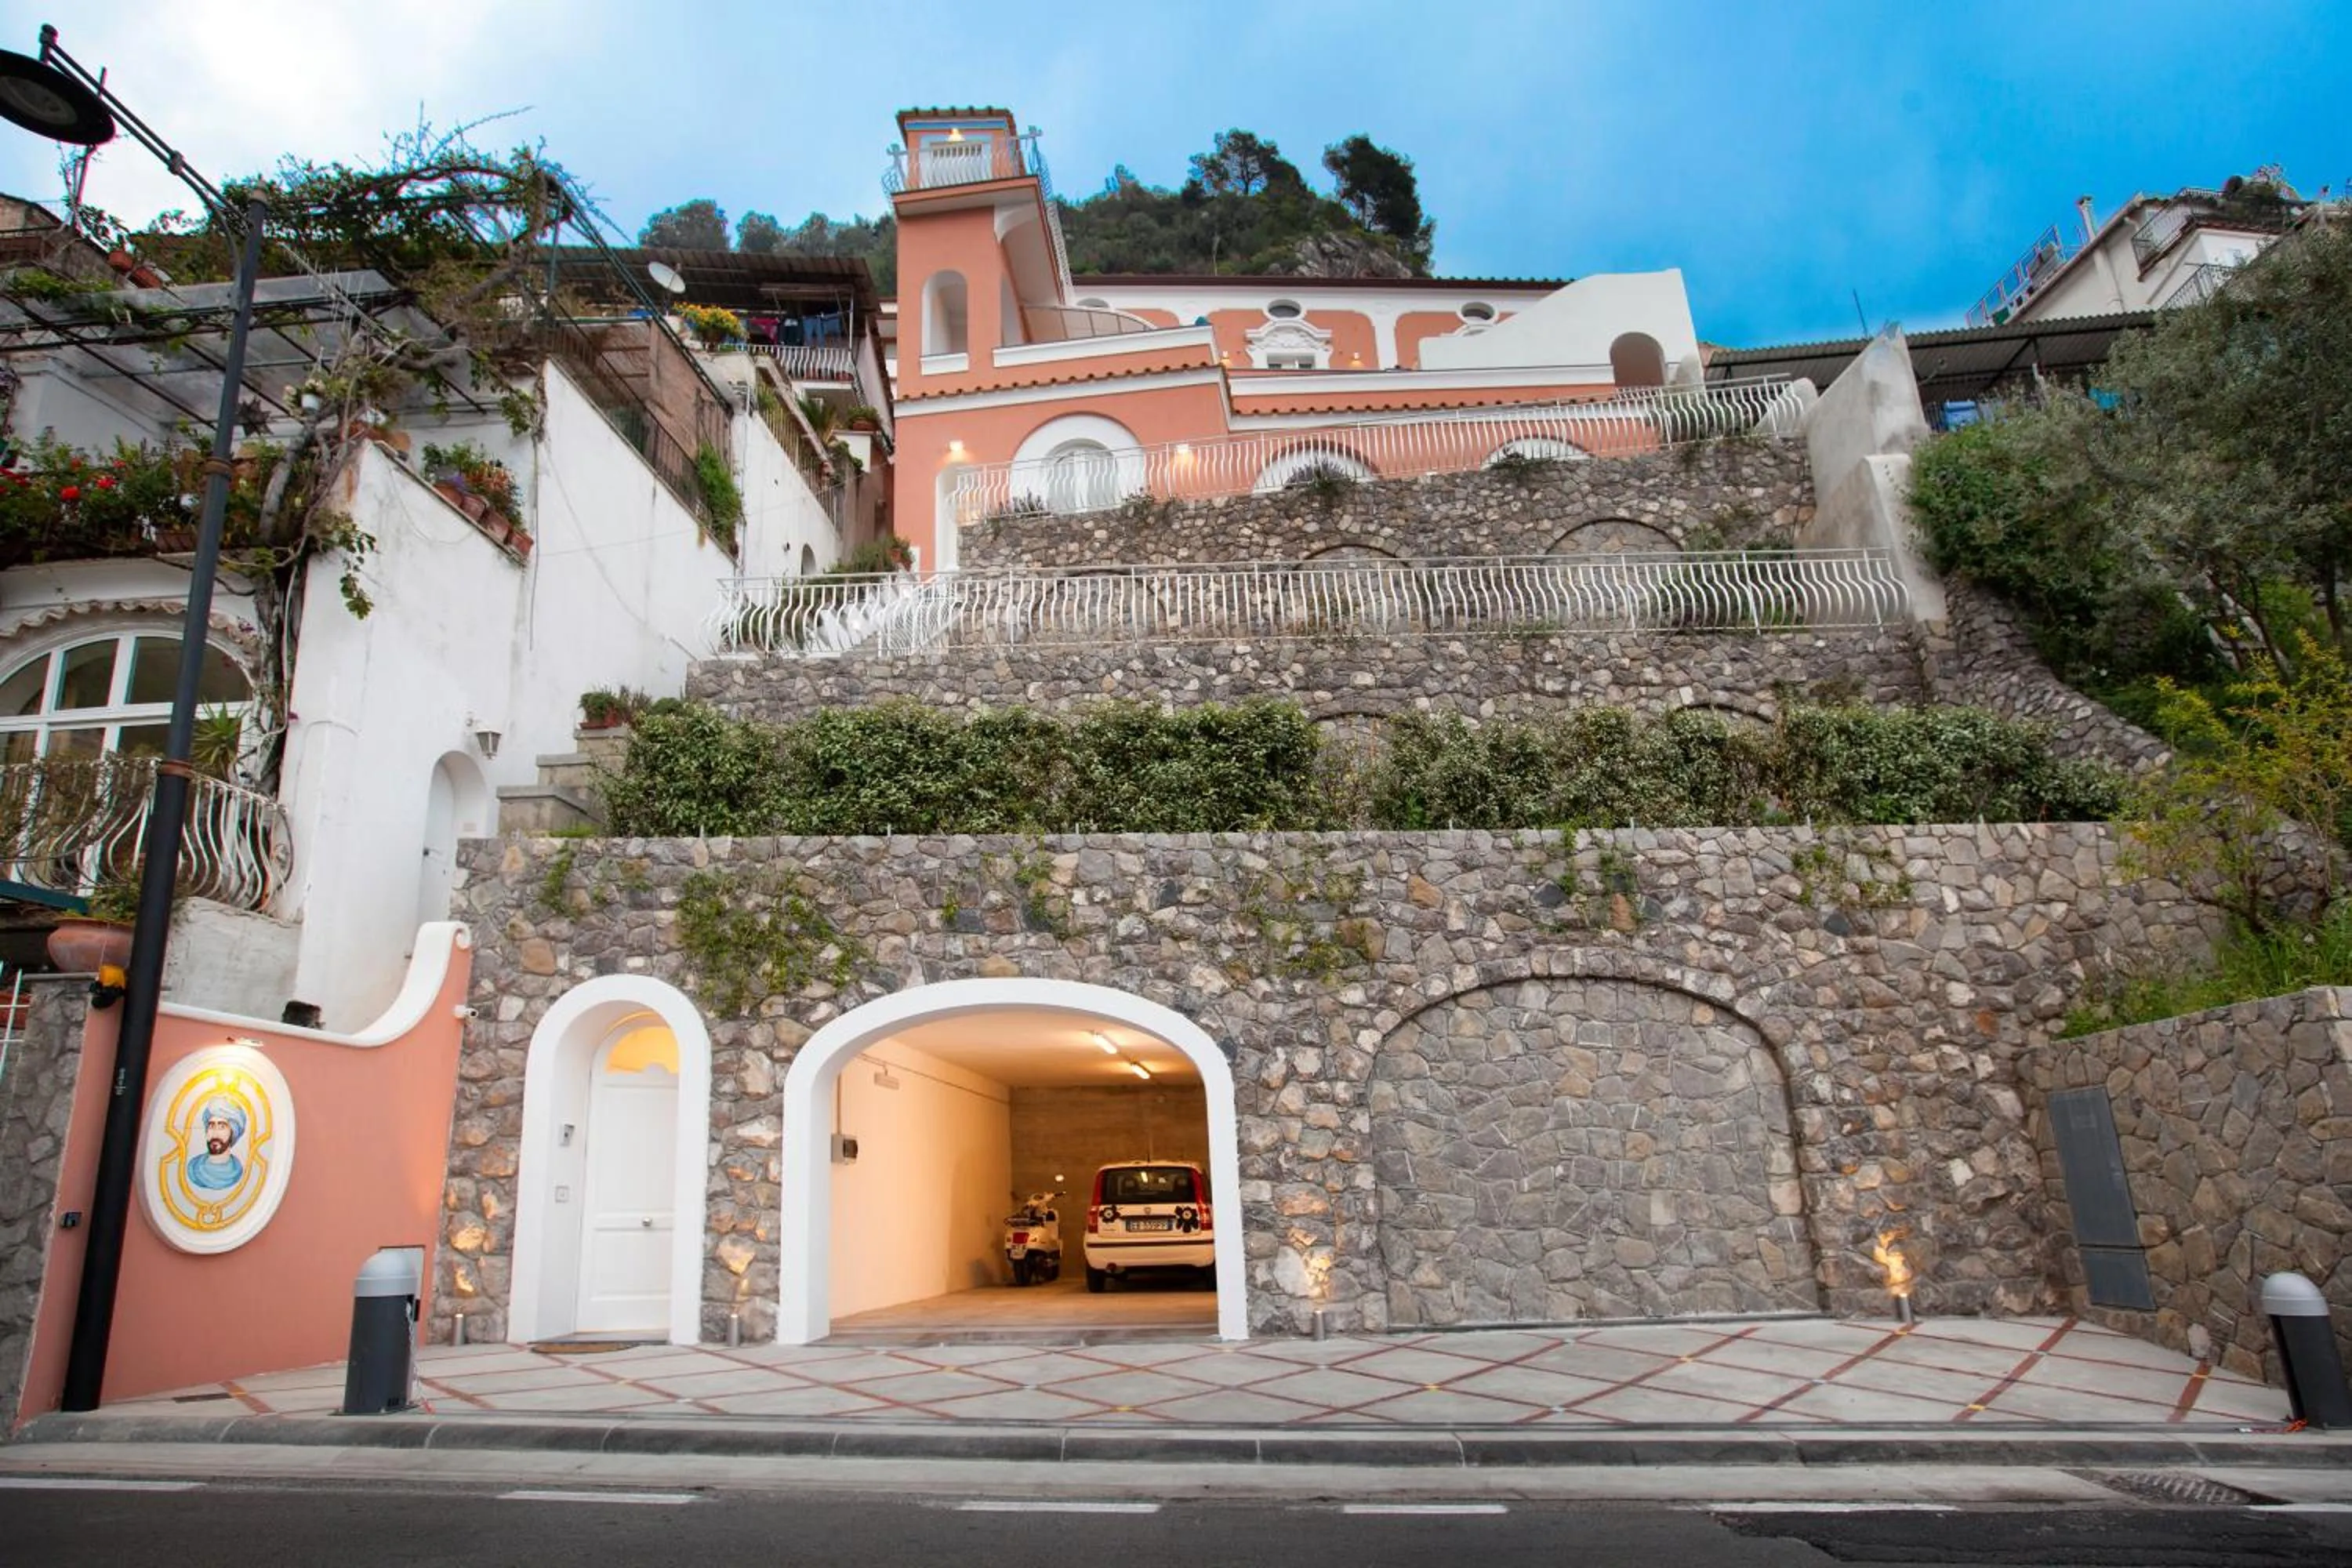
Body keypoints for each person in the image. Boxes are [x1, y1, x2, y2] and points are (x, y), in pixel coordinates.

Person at [186, 1097, 246, 1191]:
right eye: (211, 1126)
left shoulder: (237, 1172)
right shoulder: (193, 1169)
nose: (215, 1133)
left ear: (233, 1133)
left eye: (222, 1126)